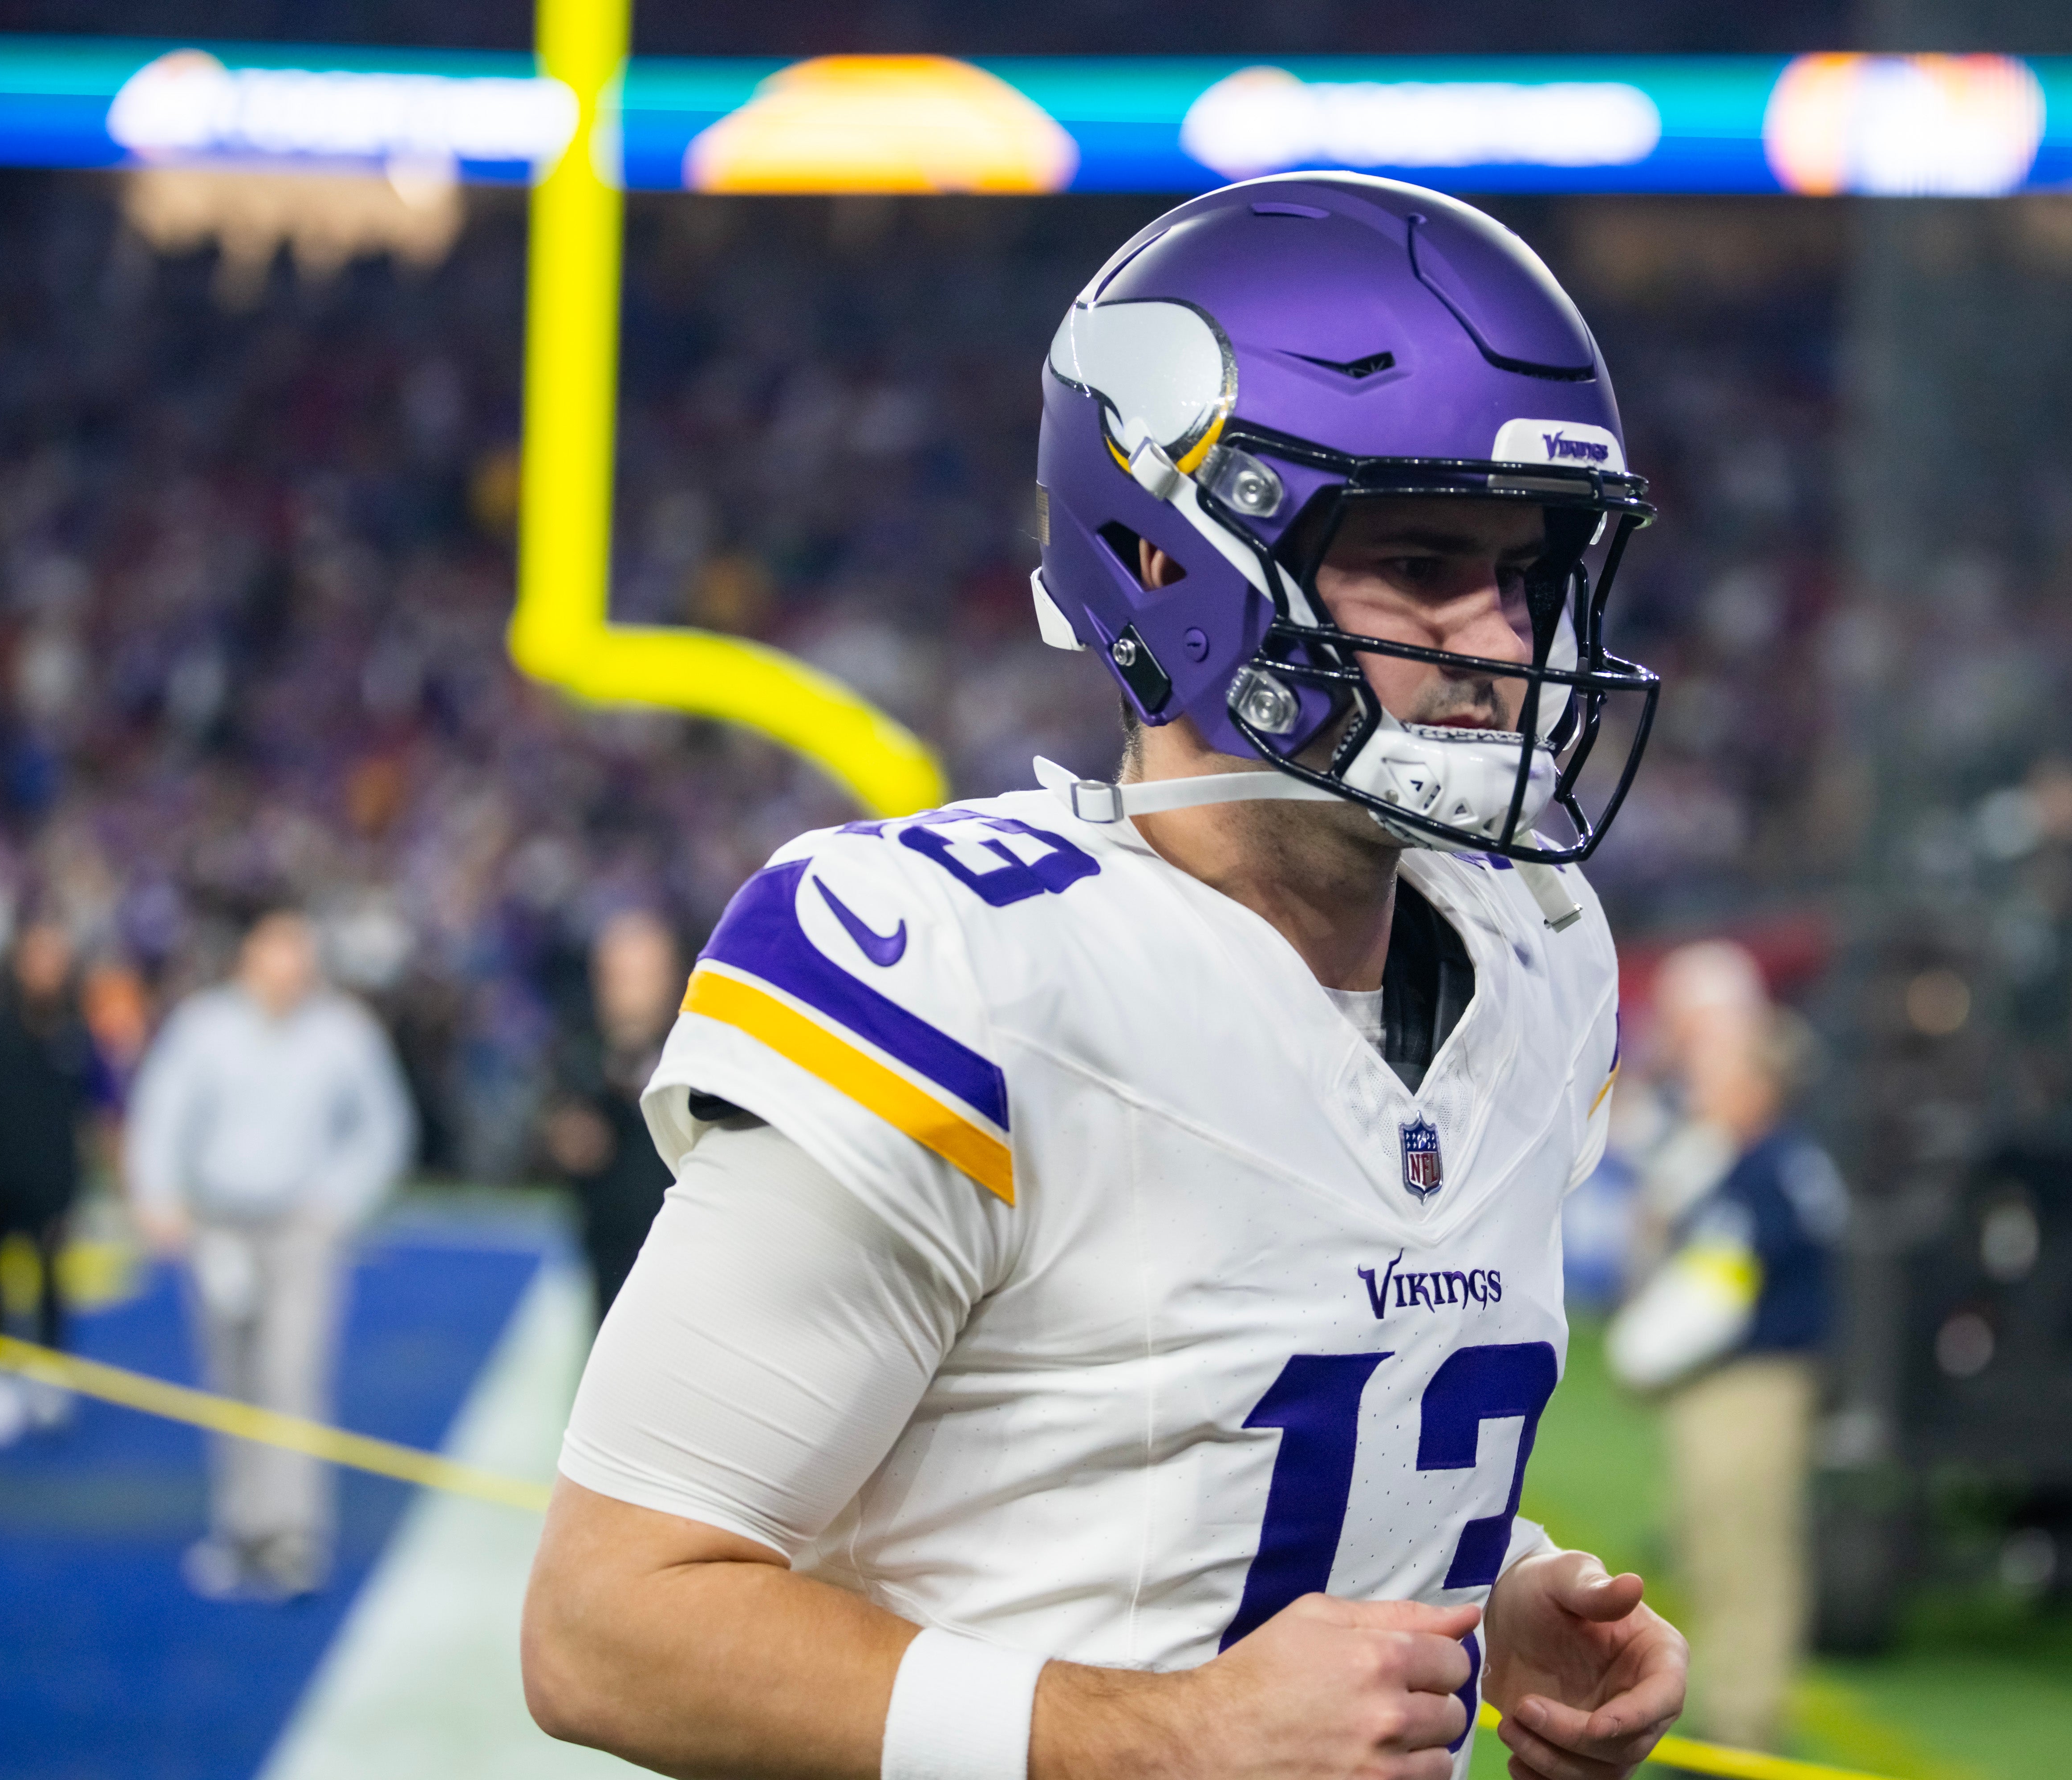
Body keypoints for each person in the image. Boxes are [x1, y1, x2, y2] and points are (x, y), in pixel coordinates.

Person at [523, 174, 1687, 1780]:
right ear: (1168, 557)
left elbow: (1204, 1463)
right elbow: (608, 1623)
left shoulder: (1537, 947)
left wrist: (1488, 1596)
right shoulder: (959, 965)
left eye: (1532, 568)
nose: (1506, 640)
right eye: (1420, 561)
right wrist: (1147, 1737)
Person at [125, 905, 415, 1601]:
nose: (292, 963)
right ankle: (241, 1528)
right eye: (279, 947)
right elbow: (161, 1112)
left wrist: (337, 1206)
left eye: (301, 949)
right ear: (250, 953)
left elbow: (385, 1127)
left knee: (292, 1375)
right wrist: (158, 1195)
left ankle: (292, 1535)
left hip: (297, 1231)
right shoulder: (204, 1028)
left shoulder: (343, 1033)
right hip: (218, 1226)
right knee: (230, 1380)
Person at [1606, 942, 1846, 1752]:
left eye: (1723, 1072)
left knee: (1746, 1555)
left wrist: (1639, 1358)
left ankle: (1743, 1731)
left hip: (1750, 1385)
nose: (1706, 1085)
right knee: (1715, 1553)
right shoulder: (1749, 1162)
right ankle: (1726, 1719)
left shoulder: (1768, 1171)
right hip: (1730, 1384)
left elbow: (1716, 1294)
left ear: (1758, 1085)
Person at [0, 916, 118, 1447]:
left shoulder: (80, 1034)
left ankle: (50, 1374)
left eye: (56, 958)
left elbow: (107, 1106)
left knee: (52, 1276)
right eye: (38, 956)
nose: (46, 969)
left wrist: (123, 1177)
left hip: (53, 1176)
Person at [541, 908, 681, 1319]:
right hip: (607, 1268)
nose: (631, 993)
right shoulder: (578, 1059)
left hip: (689, 1265)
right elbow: (567, 1146)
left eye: (643, 977)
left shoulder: (699, 1058)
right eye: (618, 977)